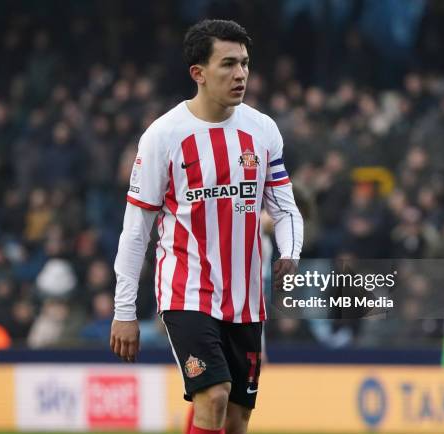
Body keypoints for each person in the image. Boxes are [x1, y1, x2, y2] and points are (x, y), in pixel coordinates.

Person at [110, 19, 303, 434]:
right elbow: (135, 230)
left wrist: (290, 252)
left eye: (245, 64)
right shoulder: (163, 136)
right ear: (198, 73)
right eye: (228, 64)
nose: (240, 74)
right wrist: (124, 310)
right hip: (187, 288)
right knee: (212, 395)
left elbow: (285, 209)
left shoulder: (263, 129)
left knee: (237, 418)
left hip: (246, 296)